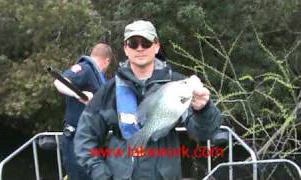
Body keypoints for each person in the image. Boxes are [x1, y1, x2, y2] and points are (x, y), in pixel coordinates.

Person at [74, 20, 222, 180]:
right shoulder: (108, 91)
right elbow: (84, 139)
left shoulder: (178, 85)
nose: (140, 48)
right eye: (133, 43)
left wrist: (203, 109)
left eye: (145, 42)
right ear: (126, 48)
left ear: (156, 46)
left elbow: (205, 133)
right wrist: (101, 174)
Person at [53, 43, 113, 180]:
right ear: (107, 60)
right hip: (76, 141)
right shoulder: (85, 69)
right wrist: (78, 94)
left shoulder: (98, 77)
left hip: (92, 140)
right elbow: (59, 82)